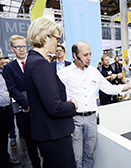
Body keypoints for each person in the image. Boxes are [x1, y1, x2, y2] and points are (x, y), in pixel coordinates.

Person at [58, 41, 131, 168]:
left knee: (89, 155)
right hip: (74, 120)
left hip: (92, 119)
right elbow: (58, 98)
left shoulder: (93, 72)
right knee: (76, 158)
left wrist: (127, 86)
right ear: (75, 56)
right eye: (85, 54)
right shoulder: (63, 74)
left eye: (90, 54)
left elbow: (108, 88)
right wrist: (64, 122)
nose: (89, 58)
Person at [25, 17, 78, 168]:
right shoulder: (39, 64)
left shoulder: (33, 61)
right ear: (45, 36)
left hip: (50, 133)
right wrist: (73, 105)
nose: (58, 42)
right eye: (57, 38)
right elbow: (54, 107)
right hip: (53, 134)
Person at [3, 35, 41, 168]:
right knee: (30, 143)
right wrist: (27, 104)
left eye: (23, 46)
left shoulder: (35, 62)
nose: (21, 49)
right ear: (12, 49)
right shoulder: (9, 68)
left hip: (40, 110)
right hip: (23, 111)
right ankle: (35, 165)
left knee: (43, 140)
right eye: (17, 47)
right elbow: (12, 89)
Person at [0, 53, 21, 167]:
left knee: (3, 137)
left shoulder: (2, 73)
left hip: (6, 109)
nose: (1, 61)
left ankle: (5, 159)